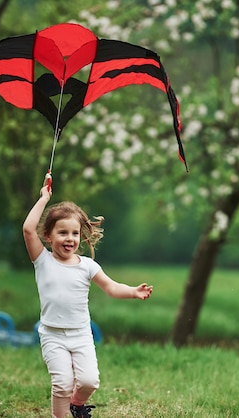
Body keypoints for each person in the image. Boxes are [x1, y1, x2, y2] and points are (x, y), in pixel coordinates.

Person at [23, 177, 153, 418]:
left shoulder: (87, 266)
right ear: (49, 236)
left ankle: (76, 403)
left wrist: (133, 292)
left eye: (74, 233)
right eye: (62, 232)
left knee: (89, 382)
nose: (69, 238)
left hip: (81, 334)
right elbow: (28, 229)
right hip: (52, 334)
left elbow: (112, 287)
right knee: (61, 383)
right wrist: (43, 199)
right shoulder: (42, 260)